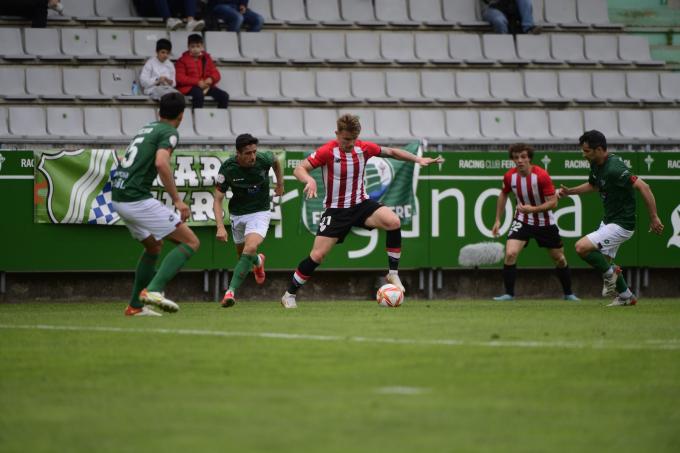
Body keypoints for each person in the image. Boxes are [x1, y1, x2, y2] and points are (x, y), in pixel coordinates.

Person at [280, 114, 444, 309]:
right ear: (337, 134)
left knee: (393, 221)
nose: (350, 143)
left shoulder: (363, 148)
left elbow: (391, 152)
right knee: (317, 256)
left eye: (353, 139)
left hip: (361, 204)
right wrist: (310, 179)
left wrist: (418, 159)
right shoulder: (327, 151)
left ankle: (392, 273)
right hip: (336, 211)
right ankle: (289, 294)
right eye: (346, 139)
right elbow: (299, 168)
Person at [112, 92, 201, 317]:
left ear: (158, 111)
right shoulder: (169, 132)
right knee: (191, 242)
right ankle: (152, 290)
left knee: (154, 246)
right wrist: (179, 201)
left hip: (119, 197)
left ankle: (135, 306)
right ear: (182, 115)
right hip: (136, 198)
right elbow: (161, 163)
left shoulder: (147, 128)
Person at [558, 130, 664, 307]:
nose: (583, 155)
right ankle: (626, 296)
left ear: (599, 149)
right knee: (604, 262)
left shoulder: (615, 168)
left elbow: (644, 186)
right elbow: (593, 185)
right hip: (609, 221)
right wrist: (570, 192)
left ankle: (612, 275)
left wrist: (654, 218)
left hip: (622, 224)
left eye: (586, 151)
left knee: (581, 247)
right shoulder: (596, 164)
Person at [491, 144, 579, 301]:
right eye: (516, 157)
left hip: (545, 222)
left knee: (559, 258)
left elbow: (553, 203)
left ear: (529, 158)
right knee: (510, 253)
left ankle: (568, 293)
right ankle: (509, 294)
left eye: (523, 157)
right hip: (522, 220)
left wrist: (532, 209)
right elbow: (503, 195)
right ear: (512, 159)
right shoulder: (509, 176)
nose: (520, 160)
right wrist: (498, 219)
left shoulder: (541, 176)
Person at [213, 134, 283, 307]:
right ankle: (258, 262)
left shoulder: (263, 159)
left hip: (260, 211)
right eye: (247, 153)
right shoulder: (228, 168)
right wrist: (220, 227)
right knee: (244, 255)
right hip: (238, 214)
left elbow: (275, 161)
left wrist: (280, 183)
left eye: (254, 152)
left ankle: (230, 292)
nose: (252, 156)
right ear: (238, 153)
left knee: (250, 247)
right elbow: (217, 200)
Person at [175, 33, 229, 110]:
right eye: (192, 46)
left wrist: (211, 79)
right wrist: (197, 82)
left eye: (198, 46)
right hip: (189, 87)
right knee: (198, 94)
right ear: (188, 47)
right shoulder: (182, 60)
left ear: (202, 47)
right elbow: (179, 78)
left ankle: (220, 118)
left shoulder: (207, 58)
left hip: (205, 86)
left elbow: (216, 73)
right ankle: (197, 118)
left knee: (224, 96)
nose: (195, 49)